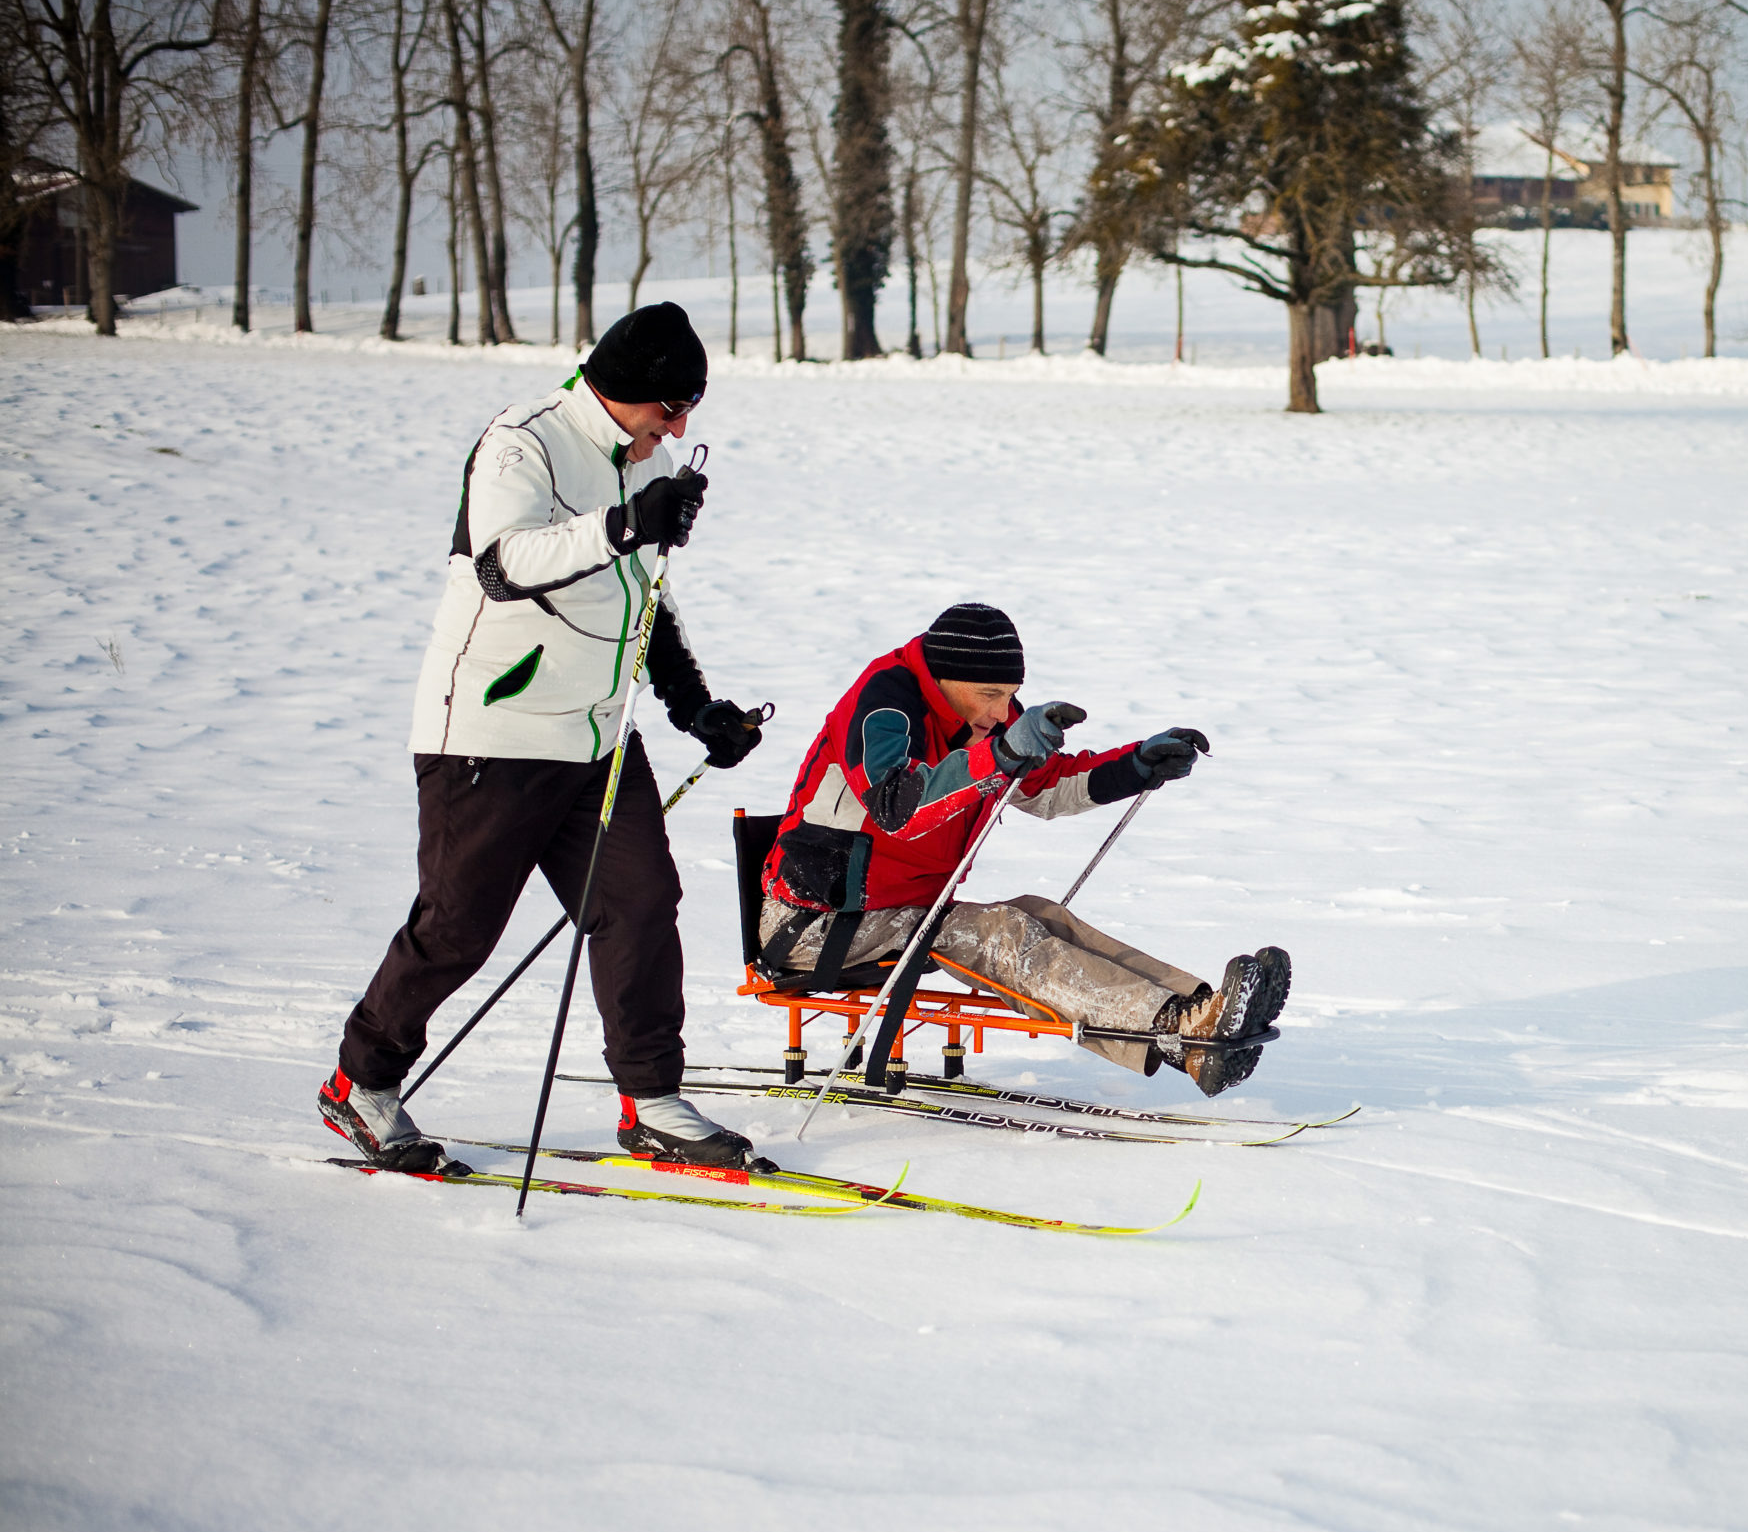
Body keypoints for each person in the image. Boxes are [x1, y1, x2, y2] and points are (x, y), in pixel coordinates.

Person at [318, 302, 771, 1174]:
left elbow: (647, 597)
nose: (677, 428)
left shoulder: (652, 460)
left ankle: (652, 1102)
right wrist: (625, 523)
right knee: (457, 926)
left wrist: (694, 706)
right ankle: (360, 1084)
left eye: (686, 412)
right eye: (668, 408)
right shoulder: (521, 441)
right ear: (624, 390)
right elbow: (502, 563)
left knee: (641, 904)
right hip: (495, 727)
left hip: (598, 735)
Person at [759, 603, 1290, 1096]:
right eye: (990, 695)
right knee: (998, 934)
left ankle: (1200, 1017)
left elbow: (1043, 786)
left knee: (1039, 914)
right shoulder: (883, 704)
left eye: (1011, 695)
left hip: (904, 912)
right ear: (942, 680)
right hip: (816, 923)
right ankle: (1177, 1029)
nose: (1002, 710)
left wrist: (1136, 766)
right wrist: (1002, 753)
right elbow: (897, 807)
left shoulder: (982, 717)